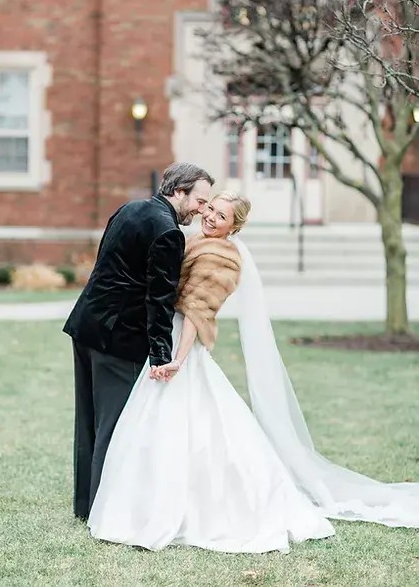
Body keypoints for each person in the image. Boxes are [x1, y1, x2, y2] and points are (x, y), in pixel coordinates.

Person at [88, 191, 419, 553]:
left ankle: (191, 510)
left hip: (182, 349)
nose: (211, 217)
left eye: (222, 216)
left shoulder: (221, 256)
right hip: (167, 339)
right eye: (210, 208)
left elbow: (199, 313)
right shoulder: (196, 241)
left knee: (186, 428)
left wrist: (177, 360)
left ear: (235, 226)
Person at [63, 162, 214, 520]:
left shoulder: (129, 209)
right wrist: (162, 356)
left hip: (86, 325)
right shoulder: (168, 233)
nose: (202, 210)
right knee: (115, 427)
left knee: (89, 421)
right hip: (119, 339)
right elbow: (158, 301)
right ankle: (104, 511)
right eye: (200, 200)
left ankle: (86, 505)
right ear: (179, 191)